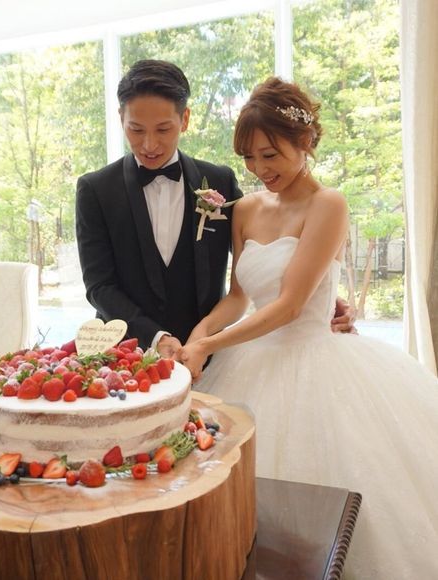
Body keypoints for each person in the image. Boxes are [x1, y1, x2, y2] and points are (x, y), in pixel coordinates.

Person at [179, 76, 438, 579]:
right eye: (249, 158)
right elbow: (239, 296)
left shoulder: (328, 204)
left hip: (317, 361)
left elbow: (290, 305)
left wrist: (208, 343)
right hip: (250, 362)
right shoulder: (246, 208)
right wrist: (198, 335)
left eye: (270, 155)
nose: (260, 169)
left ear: (304, 141)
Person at [76, 60, 354, 357]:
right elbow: (99, 286)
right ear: (121, 118)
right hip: (126, 356)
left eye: (163, 129)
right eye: (136, 129)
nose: (149, 144)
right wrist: (157, 337)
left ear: (184, 119)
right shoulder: (95, 189)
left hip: (208, 360)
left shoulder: (221, 183)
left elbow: (272, 264)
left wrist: (322, 294)